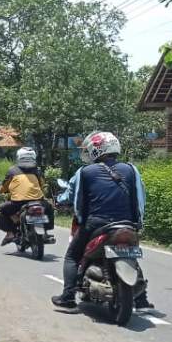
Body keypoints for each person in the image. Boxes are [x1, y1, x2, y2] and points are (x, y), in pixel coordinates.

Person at [51, 130, 153, 311]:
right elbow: (140, 198)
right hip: (127, 224)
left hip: (96, 224)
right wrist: (137, 223)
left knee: (72, 256)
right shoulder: (131, 169)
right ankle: (142, 300)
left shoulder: (85, 172)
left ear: (95, 150)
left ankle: (67, 297)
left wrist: (59, 201)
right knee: (130, 253)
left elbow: (74, 197)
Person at [0, 147, 53, 245]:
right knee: (49, 207)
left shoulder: (12, 170)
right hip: (38, 201)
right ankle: (46, 231)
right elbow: (42, 184)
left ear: (19, 157)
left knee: (1, 209)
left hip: (18, 203)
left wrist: (0, 190)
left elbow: (4, 187)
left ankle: (10, 233)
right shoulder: (37, 170)